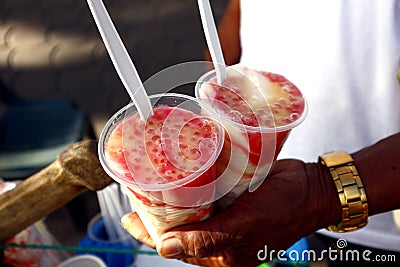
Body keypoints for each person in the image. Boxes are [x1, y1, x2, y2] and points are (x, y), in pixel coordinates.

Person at [120, 0, 400, 266]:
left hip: (374, 213)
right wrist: (233, 23)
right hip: (273, 188)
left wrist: (321, 193)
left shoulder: (320, 196)